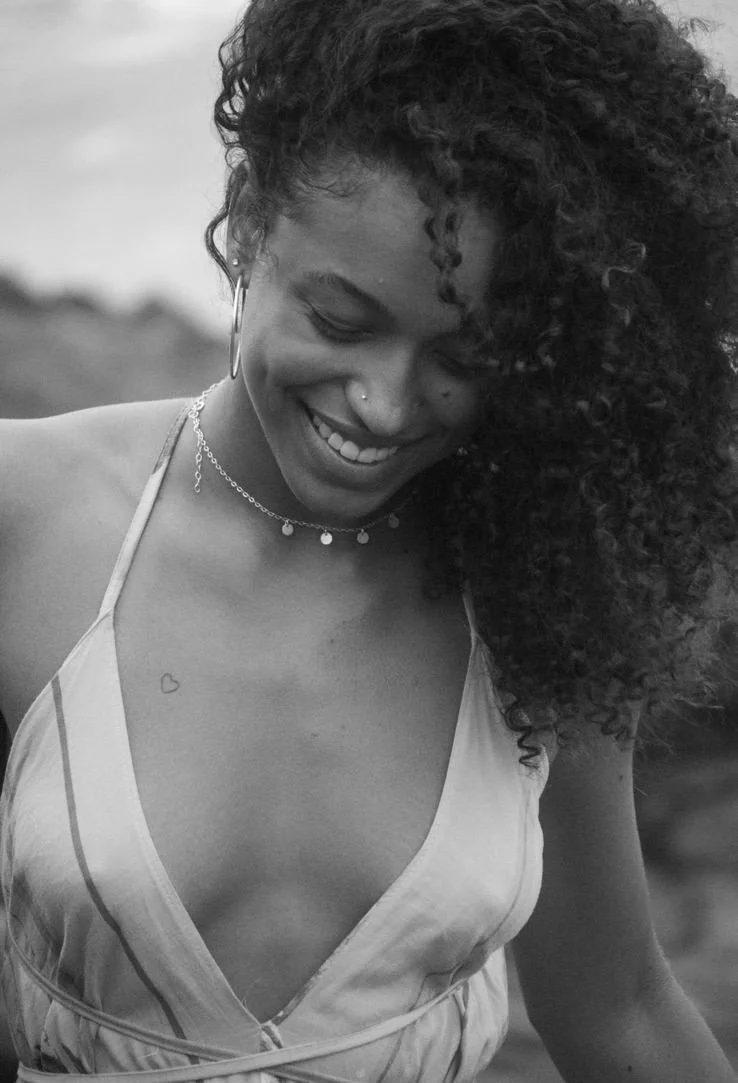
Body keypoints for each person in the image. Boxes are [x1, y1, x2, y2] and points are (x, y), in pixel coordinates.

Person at [0, 0, 737, 1080]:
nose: (387, 406)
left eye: (466, 356)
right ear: (249, 219)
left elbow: (618, 1006)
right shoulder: (24, 513)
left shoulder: (546, 581)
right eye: (341, 322)